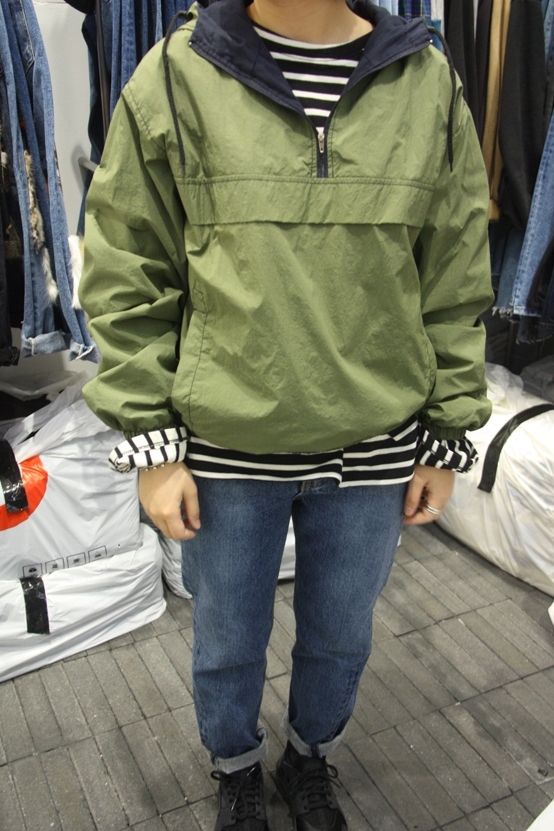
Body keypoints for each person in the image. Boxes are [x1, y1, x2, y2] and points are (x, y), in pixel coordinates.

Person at [79, 1, 493, 828]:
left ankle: (310, 755)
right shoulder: (178, 74)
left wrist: (447, 432)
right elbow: (129, 267)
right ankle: (235, 766)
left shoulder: (427, 81)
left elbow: (454, 271)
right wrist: (154, 447)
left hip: (375, 443)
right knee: (227, 638)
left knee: (341, 634)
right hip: (228, 442)